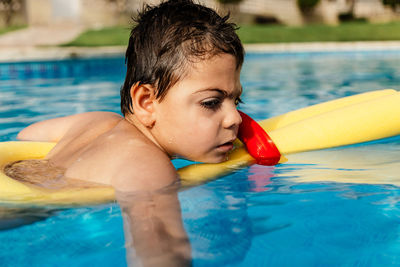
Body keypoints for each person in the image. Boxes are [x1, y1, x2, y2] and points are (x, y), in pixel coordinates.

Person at [5, 1, 245, 265]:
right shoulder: (148, 167)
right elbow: (158, 254)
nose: (235, 118)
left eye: (236, 101)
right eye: (211, 102)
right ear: (146, 102)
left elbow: (26, 136)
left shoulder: (96, 121)